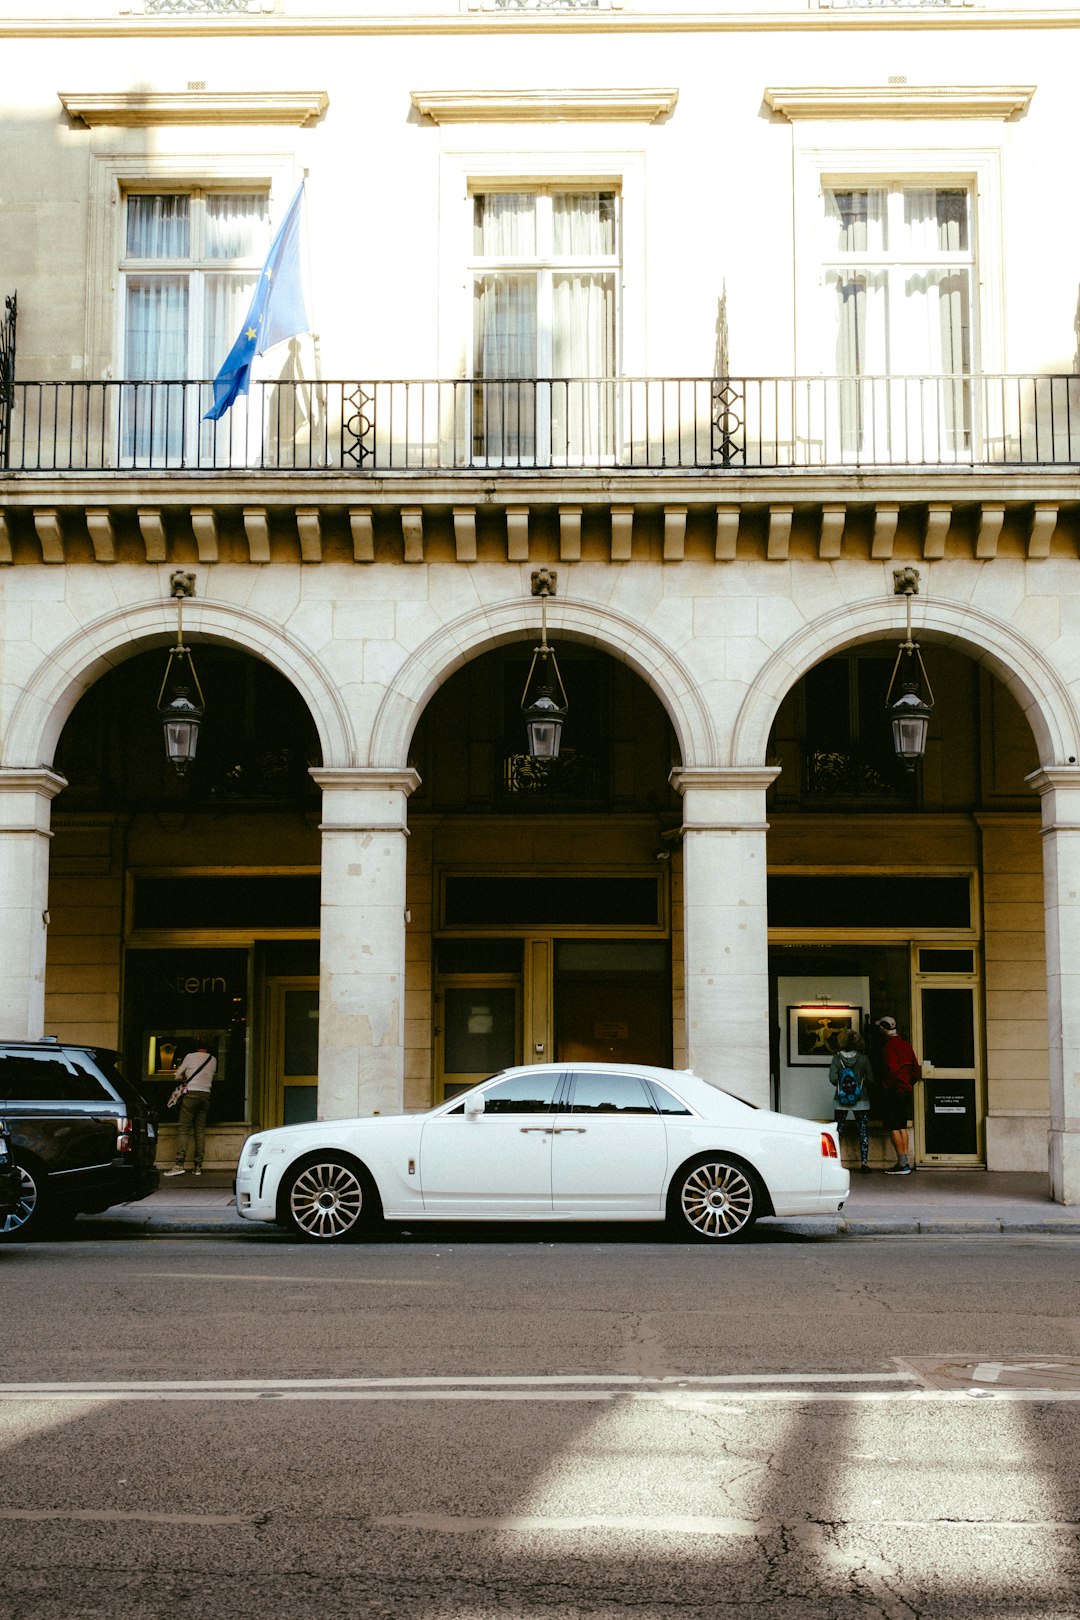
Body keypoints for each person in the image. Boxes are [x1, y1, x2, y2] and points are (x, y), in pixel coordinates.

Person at [163, 1040, 217, 1178]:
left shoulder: (190, 1056)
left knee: (184, 1129)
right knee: (199, 1130)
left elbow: (177, 1075)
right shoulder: (213, 1059)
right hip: (206, 1095)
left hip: (191, 1093)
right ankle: (198, 1166)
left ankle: (179, 1164)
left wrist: (185, 1076)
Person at [876, 1015, 921, 1175]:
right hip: (905, 1090)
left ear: (883, 1028)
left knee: (893, 1126)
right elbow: (916, 1069)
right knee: (902, 1125)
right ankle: (905, 1161)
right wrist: (909, 1083)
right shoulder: (905, 1045)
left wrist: (886, 1085)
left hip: (893, 1091)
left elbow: (893, 1069)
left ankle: (902, 1163)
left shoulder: (889, 1046)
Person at [828, 1030, 873, 1173]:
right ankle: (864, 1163)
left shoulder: (836, 1058)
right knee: (863, 1131)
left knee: (838, 1132)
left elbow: (832, 1078)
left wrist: (843, 1084)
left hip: (841, 1099)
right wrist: (859, 1084)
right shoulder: (863, 1059)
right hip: (861, 1100)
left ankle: (835, 1163)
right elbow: (871, 1078)